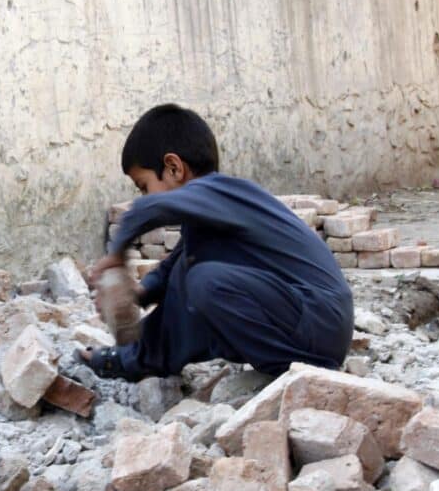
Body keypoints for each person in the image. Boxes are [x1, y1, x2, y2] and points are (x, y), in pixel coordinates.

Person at [79, 104, 353, 379]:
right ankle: (132, 359)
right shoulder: (205, 220)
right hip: (308, 323)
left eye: (143, 186)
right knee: (190, 281)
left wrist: (115, 256)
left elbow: (145, 211)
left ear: (173, 168)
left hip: (319, 320)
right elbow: (172, 271)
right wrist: (136, 295)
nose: (143, 196)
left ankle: (302, 376)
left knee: (205, 282)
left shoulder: (224, 192)